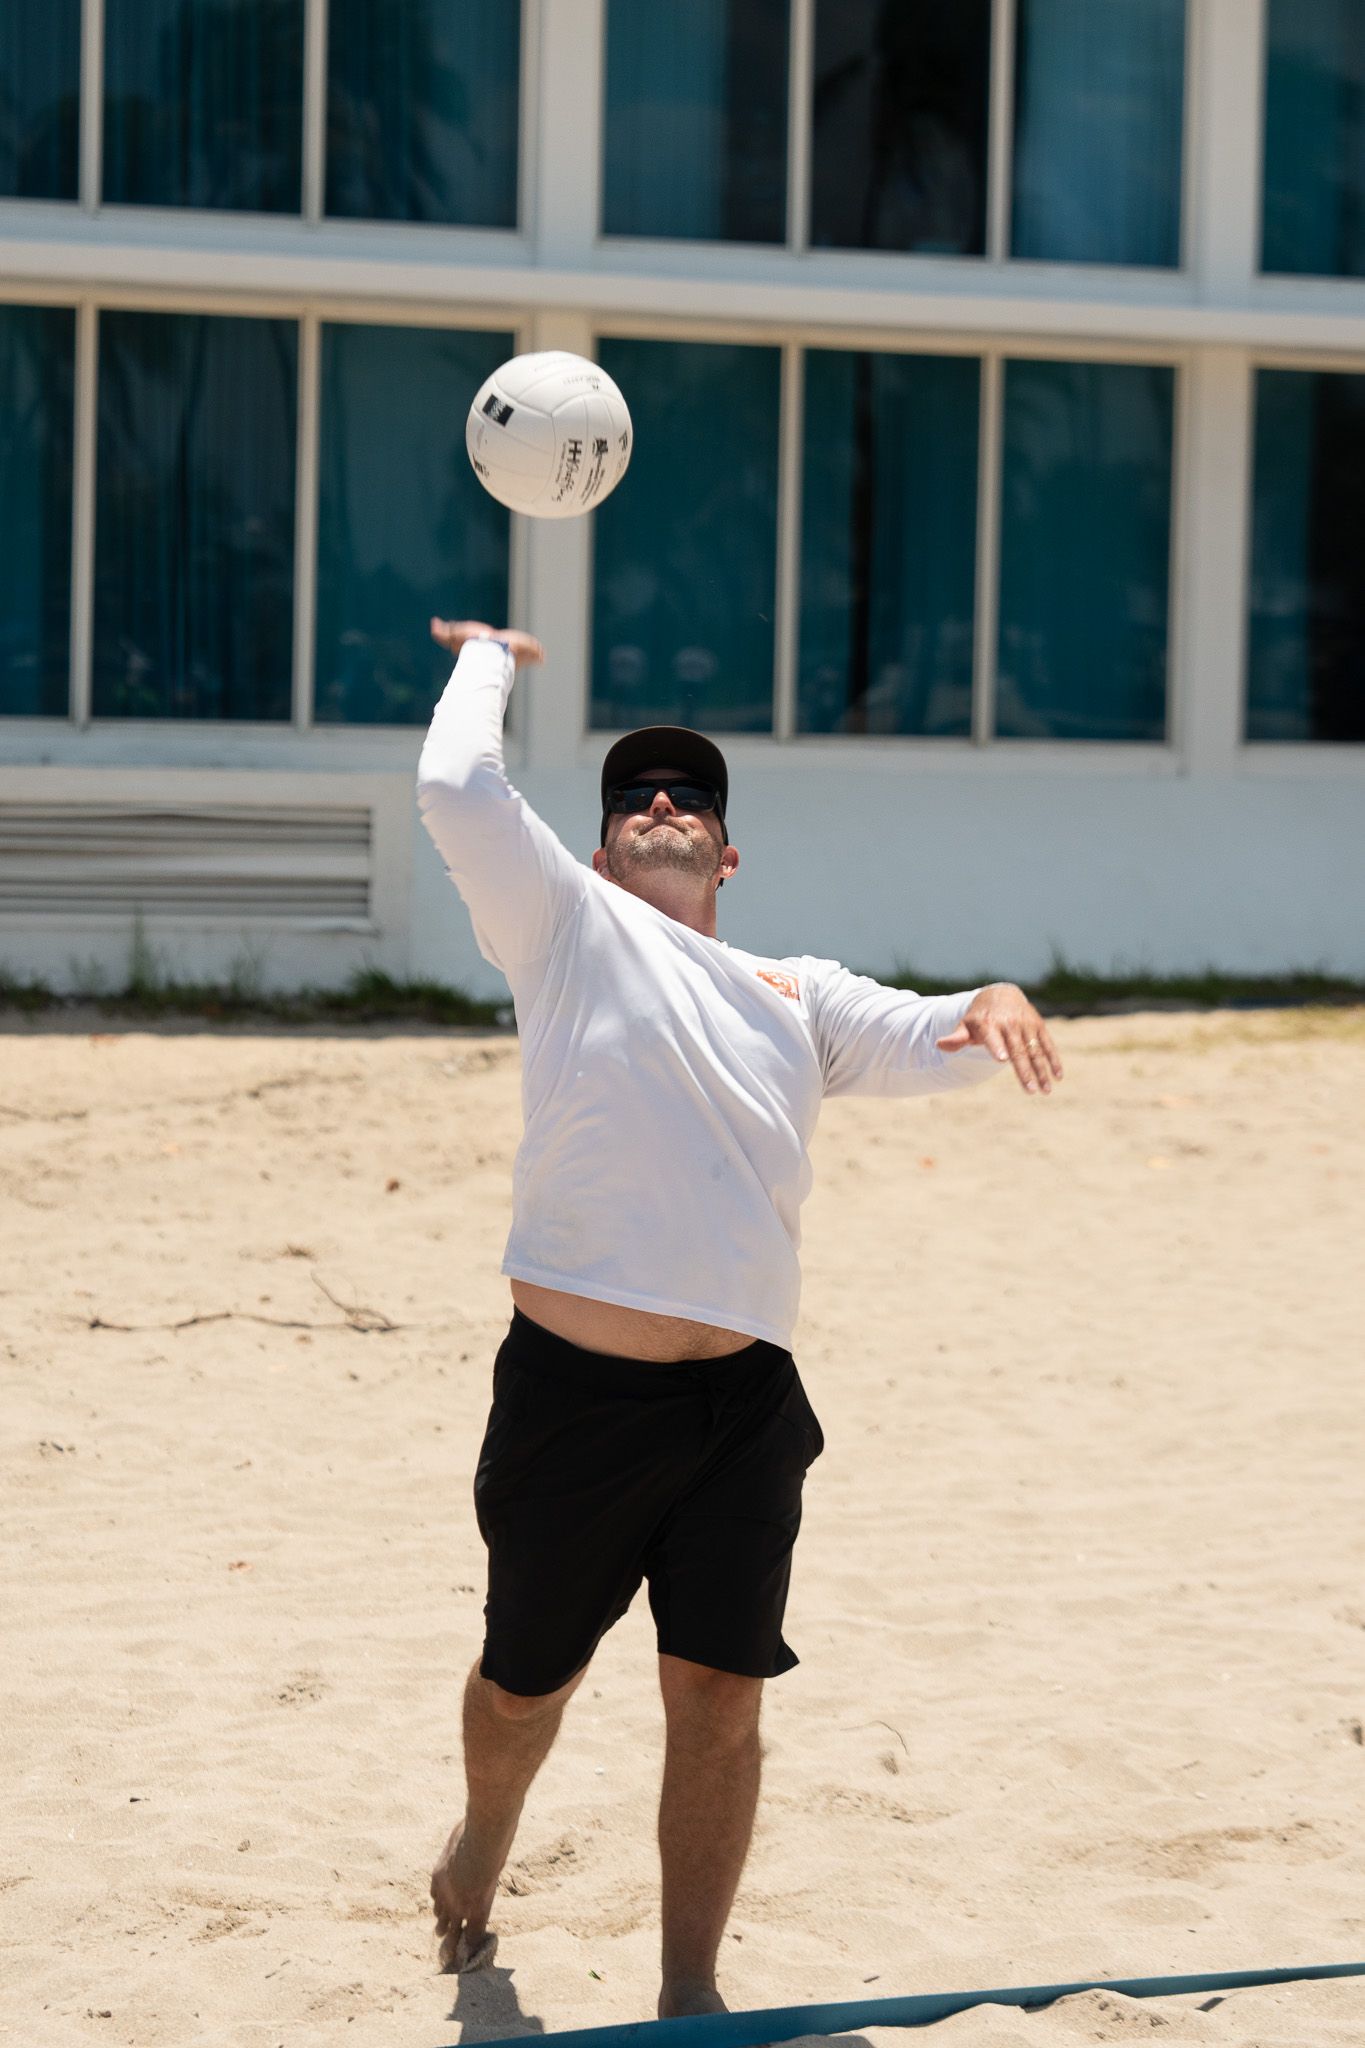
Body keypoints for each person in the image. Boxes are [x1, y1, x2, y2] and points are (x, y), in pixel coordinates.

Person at [418, 618, 1063, 2018]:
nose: (664, 803)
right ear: (595, 854)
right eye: (637, 796)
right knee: (526, 1686)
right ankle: (482, 1839)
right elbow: (459, 791)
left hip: (743, 1412)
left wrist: (988, 999)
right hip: (574, 1400)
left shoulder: (794, 993)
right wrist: (486, 657)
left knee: (718, 1697)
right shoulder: (563, 927)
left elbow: (922, 1034)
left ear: (725, 854)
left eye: (691, 797)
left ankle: (687, 1993)